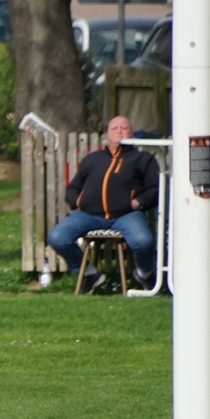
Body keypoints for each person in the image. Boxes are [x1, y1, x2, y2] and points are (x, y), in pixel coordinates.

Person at [46, 115, 159, 294]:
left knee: (143, 241)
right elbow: (73, 188)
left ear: (132, 133)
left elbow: (154, 188)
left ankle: (145, 274)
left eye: (124, 128)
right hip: (88, 214)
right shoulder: (93, 159)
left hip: (126, 215)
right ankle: (89, 274)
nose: (119, 131)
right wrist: (77, 201)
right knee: (56, 237)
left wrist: (137, 202)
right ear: (107, 133)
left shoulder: (143, 159)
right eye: (114, 128)